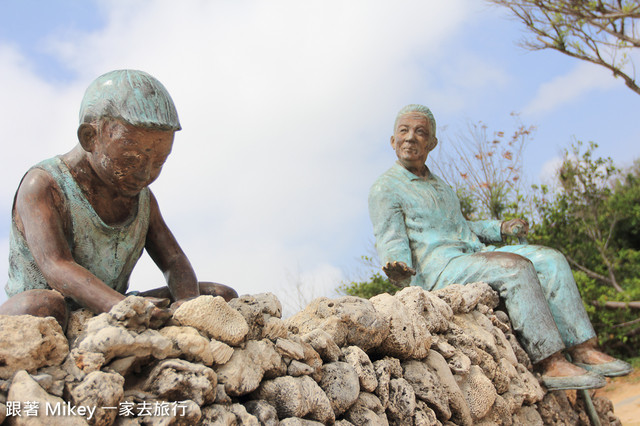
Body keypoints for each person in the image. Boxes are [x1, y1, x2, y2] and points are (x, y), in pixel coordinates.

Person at [368, 104, 632, 390]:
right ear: (393, 141)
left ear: (431, 143)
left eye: (420, 132)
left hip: (471, 255)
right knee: (514, 268)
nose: (411, 138)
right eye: (403, 131)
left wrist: (500, 228)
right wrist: (397, 266)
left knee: (550, 259)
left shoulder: (441, 187)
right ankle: (552, 363)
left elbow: (465, 228)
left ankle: (582, 347)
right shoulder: (385, 188)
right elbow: (389, 237)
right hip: (440, 268)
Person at [1, 70, 237, 330]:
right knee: (42, 305)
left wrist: (188, 301)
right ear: (90, 138)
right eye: (129, 160)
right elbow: (57, 265)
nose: (145, 174)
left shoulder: (142, 199)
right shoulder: (44, 185)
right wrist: (121, 306)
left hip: (113, 308)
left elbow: (173, 260)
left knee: (217, 295)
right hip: (50, 310)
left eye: (159, 162)